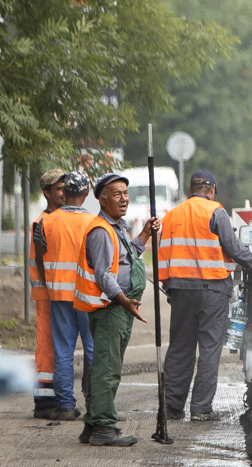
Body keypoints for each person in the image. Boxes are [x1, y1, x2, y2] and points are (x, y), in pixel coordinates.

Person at [159, 170, 252, 421]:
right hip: (212, 289)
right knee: (208, 349)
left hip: (180, 290)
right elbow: (233, 247)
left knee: (180, 347)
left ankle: (172, 408)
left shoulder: (172, 215)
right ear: (212, 190)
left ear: (189, 189)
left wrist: (170, 286)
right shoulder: (215, 212)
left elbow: (164, 252)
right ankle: (201, 409)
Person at [74, 173, 158, 447]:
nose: (124, 198)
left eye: (125, 193)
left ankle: (91, 425)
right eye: (117, 193)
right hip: (110, 308)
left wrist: (144, 234)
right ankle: (104, 429)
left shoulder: (117, 227)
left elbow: (126, 256)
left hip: (118, 308)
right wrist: (124, 300)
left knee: (107, 366)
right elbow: (103, 276)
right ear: (102, 199)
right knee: (106, 369)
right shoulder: (100, 231)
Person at [32, 171, 95, 421]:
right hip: (87, 296)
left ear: (65, 192)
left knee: (63, 351)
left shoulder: (47, 222)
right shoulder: (93, 222)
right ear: (86, 193)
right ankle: (95, 405)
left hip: (58, 295)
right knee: (92, 349)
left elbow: (39, 257)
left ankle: (66, 406)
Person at [29, 168, 67, 418]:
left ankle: (59, 397)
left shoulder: (62, 219)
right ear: (46, 192)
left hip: (59, 294)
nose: (64, 193)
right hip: (47, 295)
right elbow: (42, 262)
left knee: (58, 347)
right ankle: (44, 404)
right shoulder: (42, 223)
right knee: (47, 348)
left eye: (65, 188)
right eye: (59, 189)